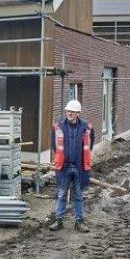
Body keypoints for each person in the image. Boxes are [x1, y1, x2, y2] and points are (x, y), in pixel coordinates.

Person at [48, 99, 95, 232]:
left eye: (72, 111)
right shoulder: (58, 127)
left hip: (80, 167)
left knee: (79, 196)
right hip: (64, 167)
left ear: (78, 113)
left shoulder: (87, 127)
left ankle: (79, 222)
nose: (69, 113)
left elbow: (89, 146)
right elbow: (54, 146)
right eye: (68, 111)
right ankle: (59, 220)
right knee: (62, 194)